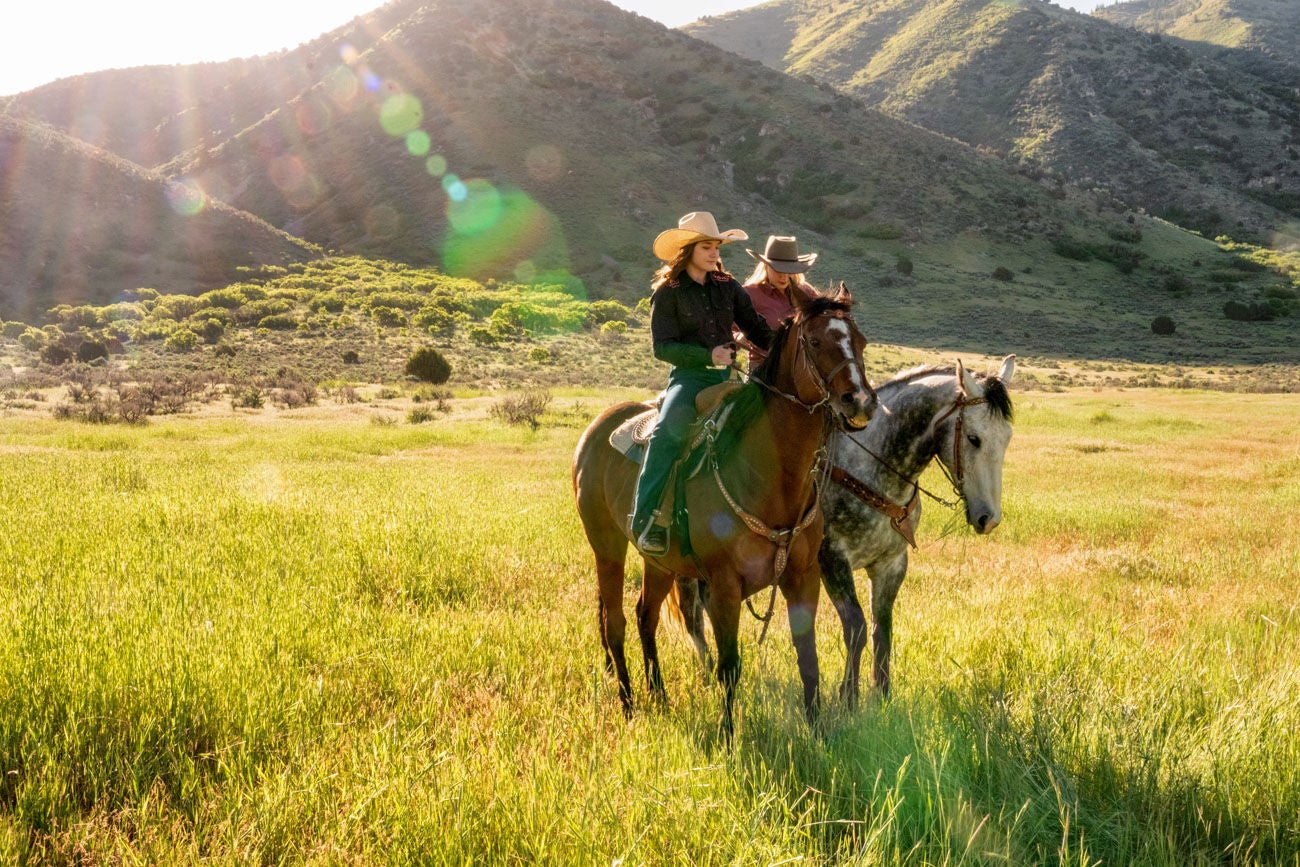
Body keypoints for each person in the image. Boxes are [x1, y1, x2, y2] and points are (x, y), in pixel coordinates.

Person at [629, 211, 778, 556]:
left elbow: (755, 327)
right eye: (707, 247)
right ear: (689, 251)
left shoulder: (728, 287)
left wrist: (786, 350)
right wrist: (708, 356)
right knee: (667, 432)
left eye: (716, 247)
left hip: (729, 379)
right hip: (690, 380)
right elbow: (662, 347)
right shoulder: (669, 293)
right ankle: (646, 520)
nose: (714, 253)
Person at [736, 235, 820, 366]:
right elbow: (726, 328)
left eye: (788, 270)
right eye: (777, 269)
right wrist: (739, 337)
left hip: (804, 369)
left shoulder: (806, 292)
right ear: (766, 266)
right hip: (764, 367)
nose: (783, 276)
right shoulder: (750, 293)